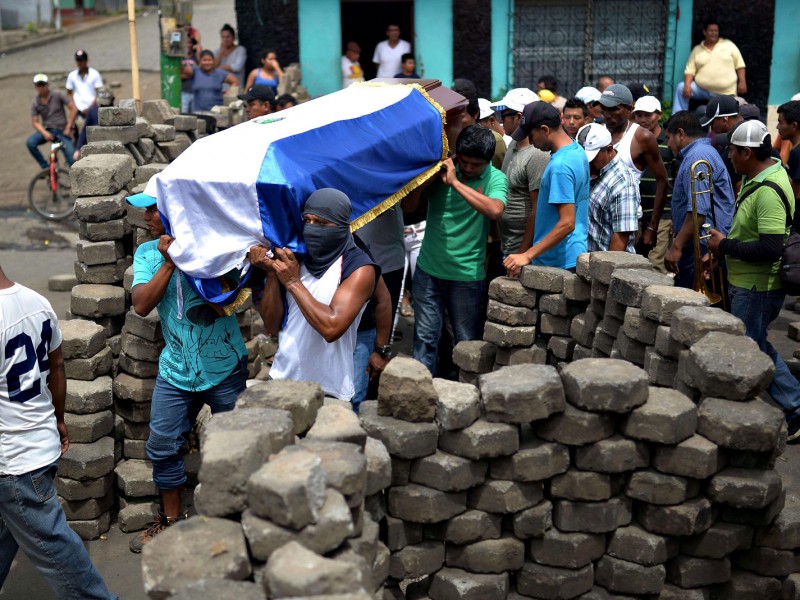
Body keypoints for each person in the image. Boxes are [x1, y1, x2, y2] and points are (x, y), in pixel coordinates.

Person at [126, 193, 248, 552]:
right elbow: (142, 304)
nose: (147, 216)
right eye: (145, 209)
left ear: (174, 211)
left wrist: (190, 256)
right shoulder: (148, 253)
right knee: (162, 445)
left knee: (237, 446)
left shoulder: (213, 245)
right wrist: (168, 263)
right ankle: (171, 522)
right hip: (176, 370)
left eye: (153, 209)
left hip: (223, 366)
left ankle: (238, 524)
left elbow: (227, 300)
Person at [0, 266, 118, 599]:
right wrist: (58, 419)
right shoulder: (37, 303)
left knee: (56, 547)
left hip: (14, 460)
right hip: (39, 441)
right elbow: (57, 366)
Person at [705, 119, 800, 440]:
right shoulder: (758, 175)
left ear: (746, 153)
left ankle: (796, 408)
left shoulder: (769, 190)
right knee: (755, 343)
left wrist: (724, 245)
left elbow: (771, 248)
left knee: (754, 347)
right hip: (746, 281)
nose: (728, 155)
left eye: (731, 150)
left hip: (758, 286)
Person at [252, 188, 381, 402]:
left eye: (321, 223)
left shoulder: (358, 268)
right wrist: (273, 275)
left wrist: (293, 282)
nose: (311, 229)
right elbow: (271, 326)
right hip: (283, 378)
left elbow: (332, 328)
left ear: (341, 225)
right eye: (308, 221)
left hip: (329, 390)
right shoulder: (297, 257)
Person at [403, 126, 507, 375]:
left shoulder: (495, 178)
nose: (469, 168)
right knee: (425, 338)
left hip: (467, 275)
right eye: (465, 162)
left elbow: (494, 210)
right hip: (428, 271)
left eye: (476, 165)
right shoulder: (441, 172)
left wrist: (456, 183)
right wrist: (425, 180)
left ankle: (466, 395)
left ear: (488, 161)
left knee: (465, 342)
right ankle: (422, 393)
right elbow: (408, 207)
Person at [503, 102, 590, 275]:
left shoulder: (560, 166)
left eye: (531, 135)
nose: (531, 141)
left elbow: (567, 223)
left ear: (545, 130)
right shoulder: (576, 150)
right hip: (571, 253)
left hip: (558, 261)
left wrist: (527, 255)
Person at [664, 110, 734, 290]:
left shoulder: (698, 157)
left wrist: (676, 247)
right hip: (700, 242)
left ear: (680, 134)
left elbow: (698, 211)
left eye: (668, 137)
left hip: (701, 245)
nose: (668, 143)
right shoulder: (700, 152)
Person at [598, 84, 669, 249]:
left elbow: (662, 180)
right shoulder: (596, 132)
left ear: (629, 109)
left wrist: (652, 226)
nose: (607, 115)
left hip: (626, 221)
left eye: (613, 109)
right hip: (595, 216)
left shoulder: (641, 137)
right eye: (603, 109)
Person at [351, 206, 404, 409]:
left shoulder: (363, 258)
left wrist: (382, 350)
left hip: (386, 259)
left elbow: (383, 302)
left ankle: (367, 402)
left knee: (369, 329)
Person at [498, 99, 550, 259]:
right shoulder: (513, 143)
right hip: (507, 245)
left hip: (521, 250)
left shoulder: (537, 154)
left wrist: (522, 254)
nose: (501, 120)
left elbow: (538, 208)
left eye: (504, 115)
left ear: (519, 117)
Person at [576, 123, 638, 252]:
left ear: (609, 150)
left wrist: (604, 268)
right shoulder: (592, 170)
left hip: (607, 263)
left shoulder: (623, 183)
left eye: (592, 158)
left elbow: (621, 236)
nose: (587, 162)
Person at [633, 95, 676, 272]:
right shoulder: (633, 141)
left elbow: (676, 178)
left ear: (659, 115)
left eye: (647, 115)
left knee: (655, 265)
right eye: (639, 115)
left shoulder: (668, 144)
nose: (642, 119)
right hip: (637, 212)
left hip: (664, 213)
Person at [673, 20, 746, 112]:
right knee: (681, 87)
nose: (714, 33)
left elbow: (740, 65)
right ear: (705, 32)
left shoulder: (729, 45)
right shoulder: (697, 49)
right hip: (702, 90)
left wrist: (742, 81)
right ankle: (677, 119)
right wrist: (687, 85)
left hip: (726, 92)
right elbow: (690, 70)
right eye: (711, 31)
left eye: (716, 31)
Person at [27, 73, 77, 170]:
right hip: (48, 130)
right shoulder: (36, 103)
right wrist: (44, 133)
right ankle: (46, 168)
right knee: (30, 142)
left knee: (72, 159)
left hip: (62, 131)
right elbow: (35, 122)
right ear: (36, 87)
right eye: (38, 85)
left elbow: (74, 109)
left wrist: (68, 127)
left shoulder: (58, 95)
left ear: (47, 84)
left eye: (43, 84)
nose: (41, 88)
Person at [700, 95, 744, 192]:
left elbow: (740, 186)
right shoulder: (730, 141)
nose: (711, 128)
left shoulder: (741, 143)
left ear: (724, 119)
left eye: (712, 123)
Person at [776, 100, 800, 225]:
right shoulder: (794, 150)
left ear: (794, 126)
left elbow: (797, 194)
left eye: (780, 122)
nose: (777, 127)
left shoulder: (798, 153)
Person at [66, 49, 104, 119]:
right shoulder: (72, 75)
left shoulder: (95, 74)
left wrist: (90, 108)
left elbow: (99, 93)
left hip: (93, 108)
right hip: (77, 109)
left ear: (86, 60)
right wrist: (73, 106)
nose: (80, 63)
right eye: (78, 60)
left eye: (82, 60)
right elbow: (69, 93)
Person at [214, 24, 247, 88]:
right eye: (223, 37)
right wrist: (221, 52)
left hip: (236, 88)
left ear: (234, 38)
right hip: (220, 89)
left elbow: (237, 67)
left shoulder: (240, 50)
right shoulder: (217, 51)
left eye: (228, 37)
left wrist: (220, 67)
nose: (225, 39)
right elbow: (212, 67)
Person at [180, 27, 202, 113]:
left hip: (195, 93)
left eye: (189, 42)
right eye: (185, 43)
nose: (188, 45)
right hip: (183, 92)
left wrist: (198, 53)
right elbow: (177, 74)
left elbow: (201, 71)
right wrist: (191, 73)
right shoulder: (179, 58)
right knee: (184, 115)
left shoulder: (196, 56)